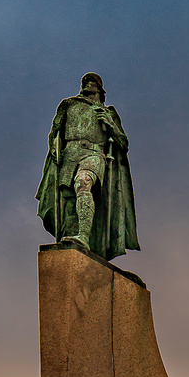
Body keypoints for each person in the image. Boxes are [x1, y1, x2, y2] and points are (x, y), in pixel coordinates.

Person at [36, 73, 139, 261]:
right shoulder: (68, 104)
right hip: (69, 154)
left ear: (99, 88)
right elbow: (55, 131)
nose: (87, 83)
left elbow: (123, 143)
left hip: (94, 153)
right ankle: (72, 238)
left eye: (92, 81)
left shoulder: (108, 112)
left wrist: (111, 126)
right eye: (85, 81)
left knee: (83, 182)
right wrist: (54, 150)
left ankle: (83, 237)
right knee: (68, 204)